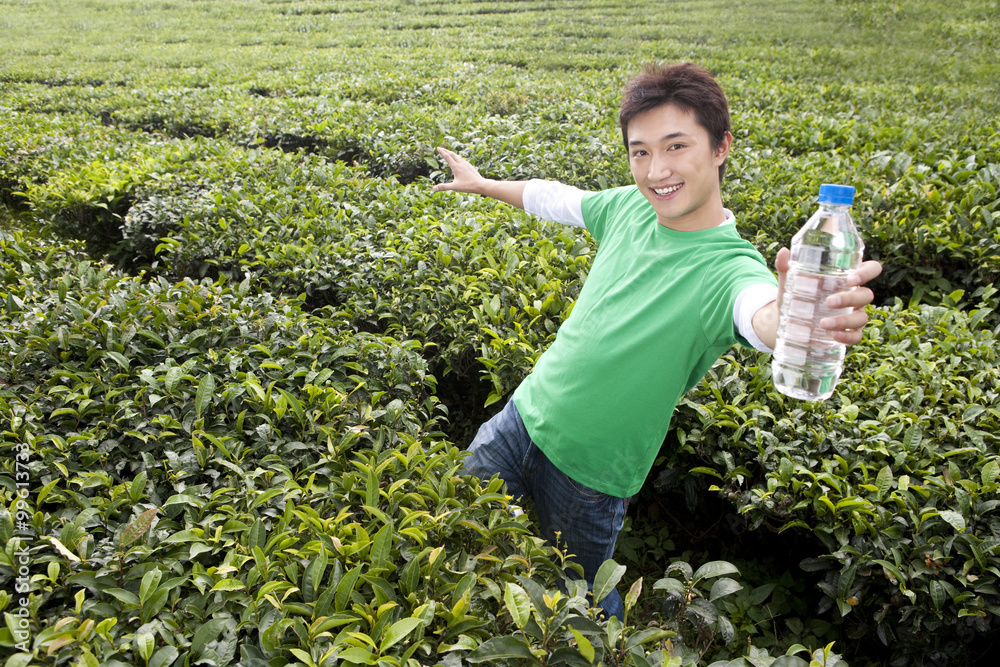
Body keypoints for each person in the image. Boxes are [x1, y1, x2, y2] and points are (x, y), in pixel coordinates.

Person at [431, 62, 883, 620]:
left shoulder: (729, 268)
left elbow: (761, 316)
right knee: (448, 530)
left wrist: (794, 318)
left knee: (584, 606)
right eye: (640, 151)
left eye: (675, 146)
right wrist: (482, 184)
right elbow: (553, 197)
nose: (656, 169)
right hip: (520, 419)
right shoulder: (628, 207)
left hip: (591, 476)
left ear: (721, 147)